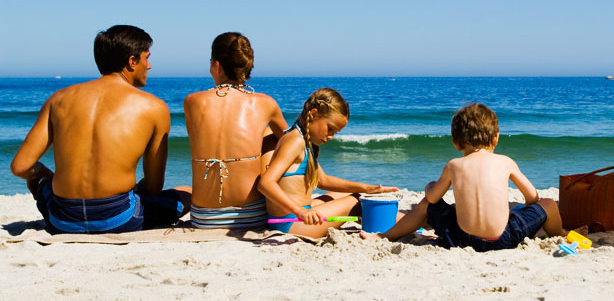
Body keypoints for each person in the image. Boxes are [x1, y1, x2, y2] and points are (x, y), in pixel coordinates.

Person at [10, 25, 191, 234]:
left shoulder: (58, 99)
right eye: (146, 58)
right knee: (186, 193)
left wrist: (41, 174)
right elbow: (153, 187)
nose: (149, 66)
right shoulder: (153, 106)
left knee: (43, 184)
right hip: (118, 219)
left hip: (62, 219)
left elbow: (20, 167)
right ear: (132, 62)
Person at [360, 103, 574, 251]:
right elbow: (532, 197)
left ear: (456, 143)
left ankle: (383, 236)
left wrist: (429, 187)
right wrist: (518, 210)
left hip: (462, 239)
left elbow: (434, 199)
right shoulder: (506, 162)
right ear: (496, 138)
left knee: (426, 205)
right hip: (504, 239)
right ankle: (561, 233)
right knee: (548, 204)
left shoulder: (454, 165)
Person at [259, 87, 398, 238]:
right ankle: (402, 226)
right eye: (330, 129)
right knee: (358, 201)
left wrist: (366, 188)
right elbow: (266, 183)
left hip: (294, 217)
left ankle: (401, 221)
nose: (331, 136)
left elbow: (323, 181)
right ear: (313, 115)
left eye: (335, 132)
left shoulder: (301, 139)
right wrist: (301, 211)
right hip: (292, 222)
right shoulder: (295, 141)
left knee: (351, 194)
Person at [184, 32, 288, 229]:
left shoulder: (192, 102)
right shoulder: (265, 103)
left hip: (203, 218)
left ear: (216, 65)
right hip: (252, 215)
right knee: (274, 138)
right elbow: (293, 142)